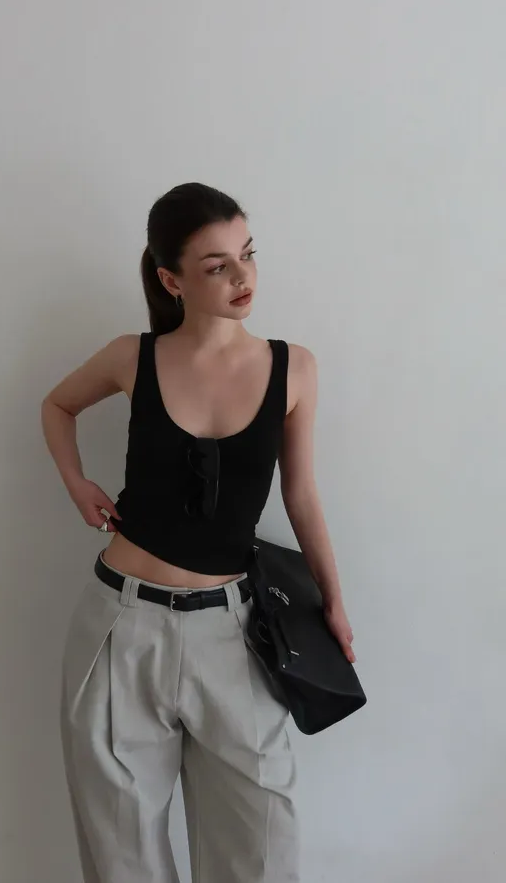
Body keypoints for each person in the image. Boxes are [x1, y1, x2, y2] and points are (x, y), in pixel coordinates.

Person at [41, 182, 355, 883]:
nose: (243, 277)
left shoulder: (293, 367)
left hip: (235, 632)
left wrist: (333, 600)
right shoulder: (132, 356)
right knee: (123, 855)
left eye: (248, 253)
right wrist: (76, 482)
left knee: (262, 849)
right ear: (171, 280)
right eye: (217, 265)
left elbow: (301, 496)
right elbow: (57, 405)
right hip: (121, 626)